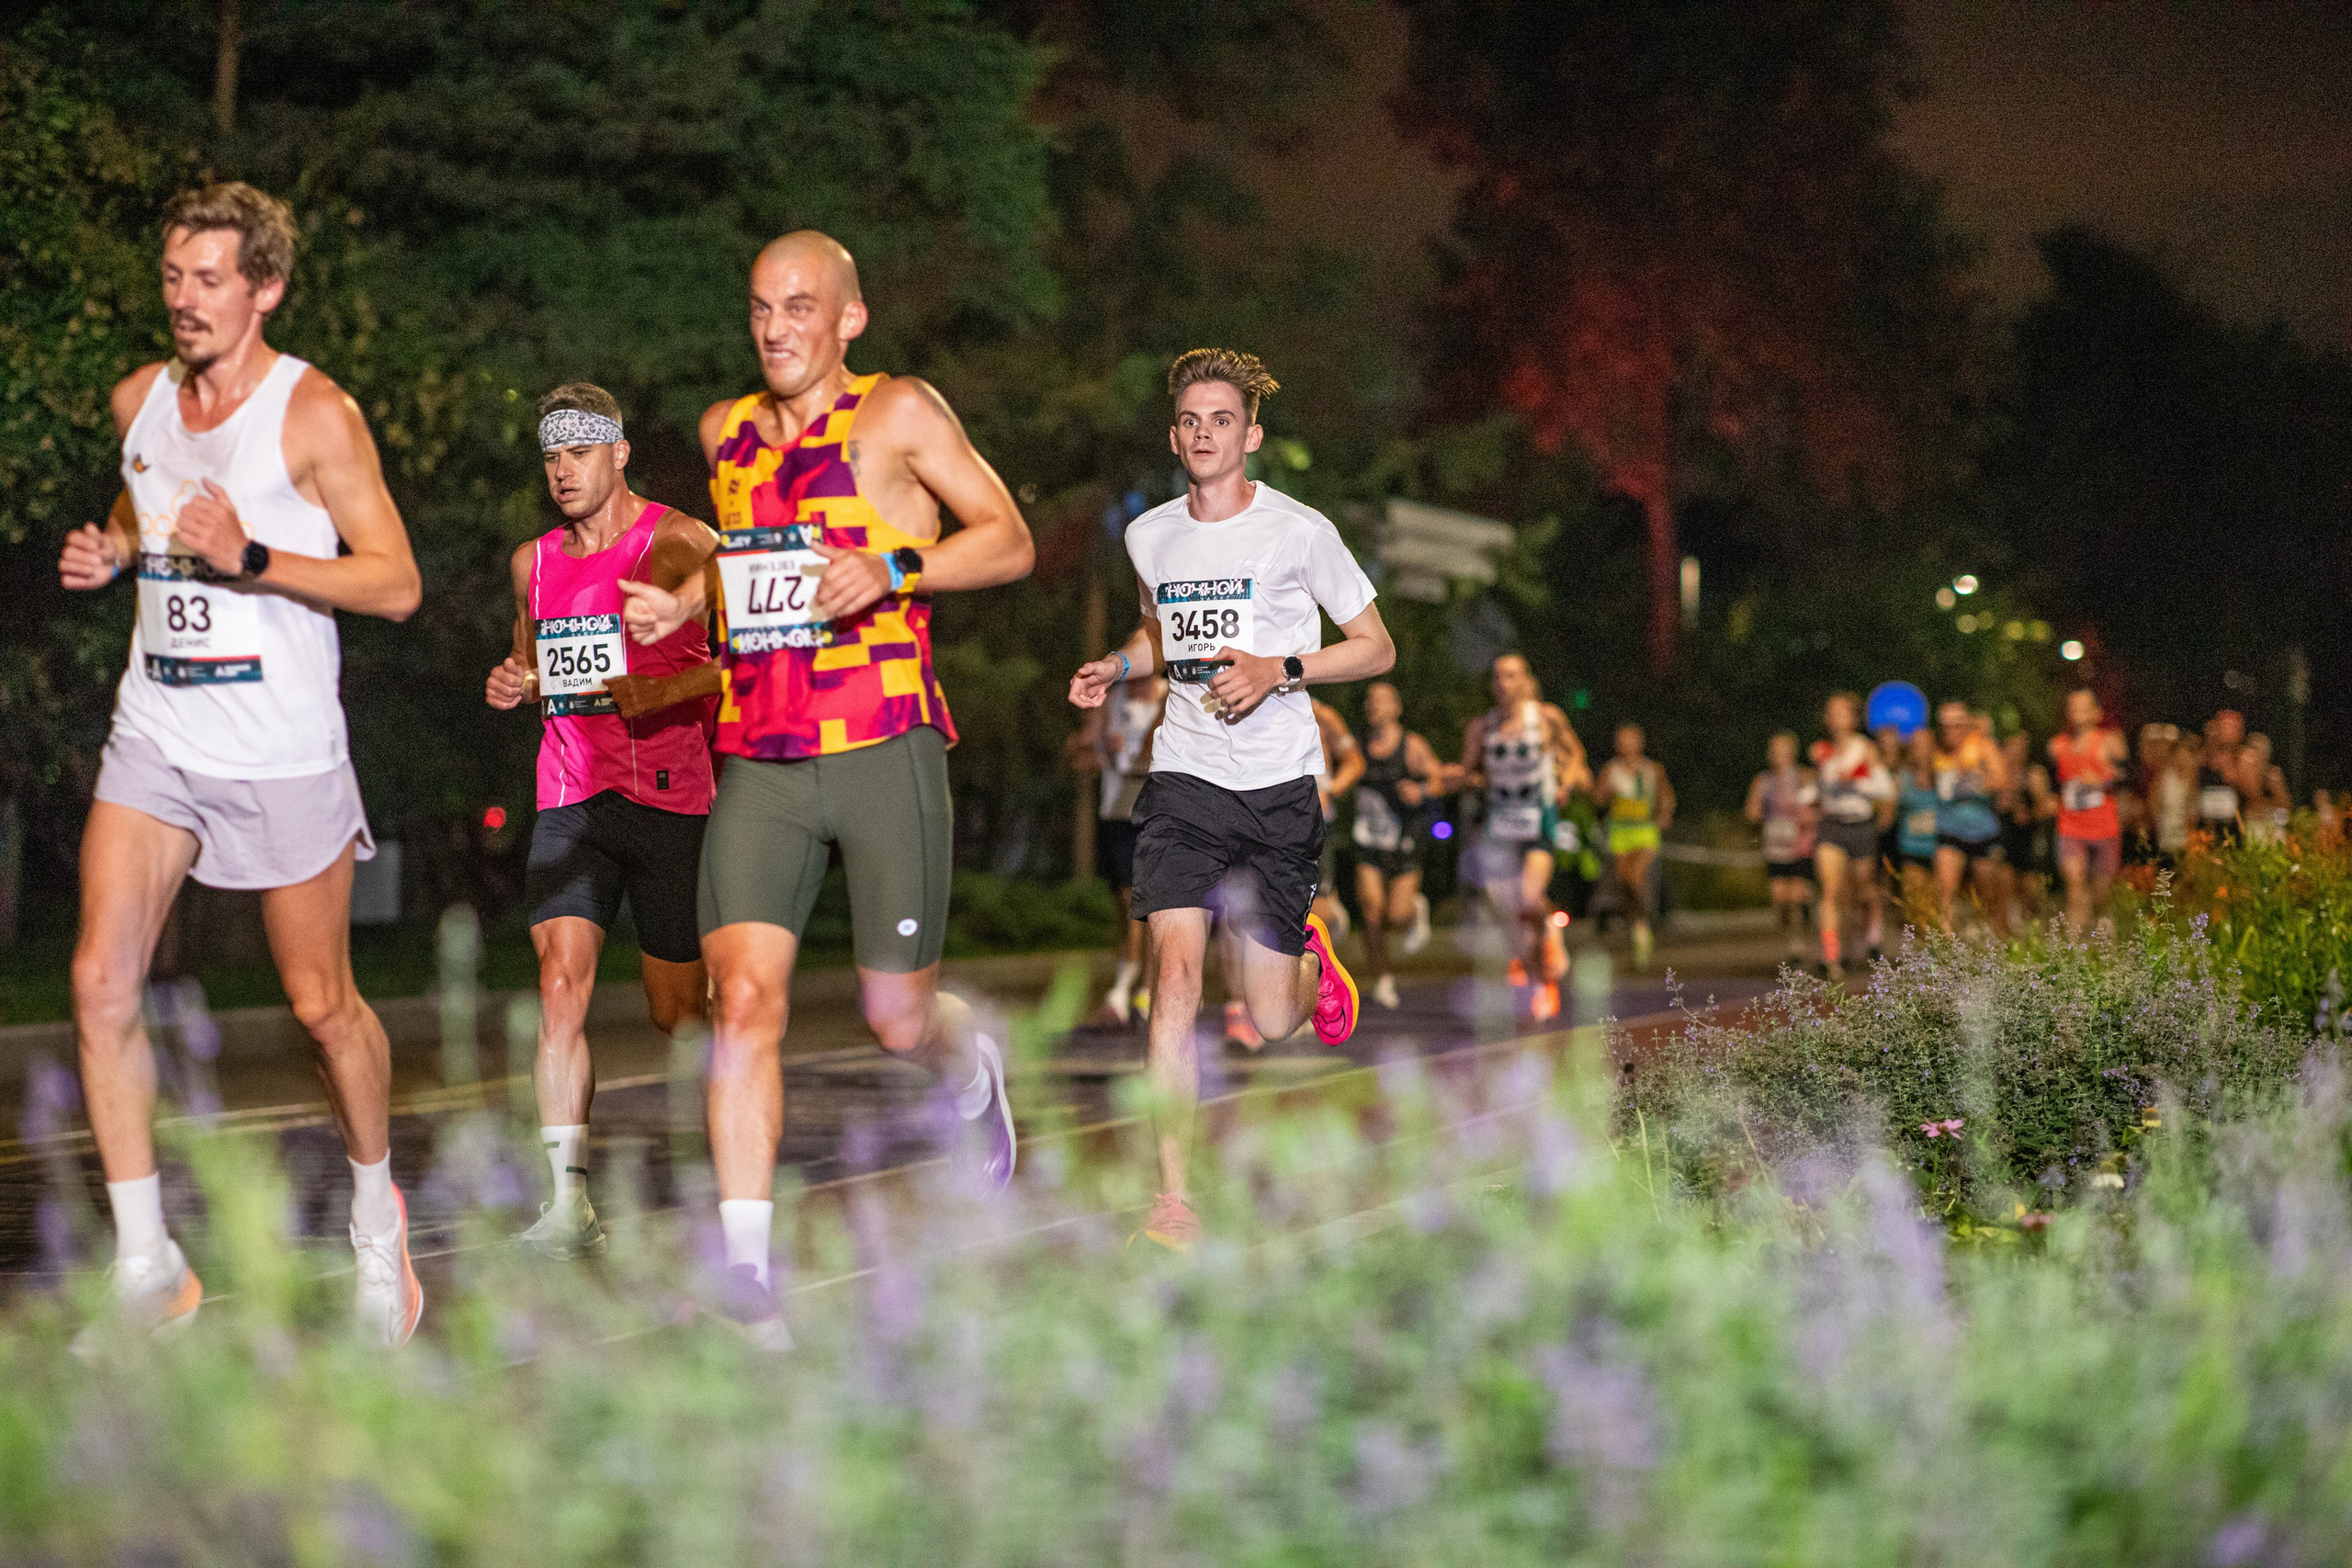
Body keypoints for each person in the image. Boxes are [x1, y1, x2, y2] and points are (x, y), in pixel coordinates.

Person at [619, 231, 1034, 1343]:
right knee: (739, 1005)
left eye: (800, 307)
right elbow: (747, 568)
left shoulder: (897, 414)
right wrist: (681, 603)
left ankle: (969, 1061)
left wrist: (897, 564)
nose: (776, 328)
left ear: (849, 318)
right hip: (758, 752)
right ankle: (747, 1280)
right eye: (761, 308)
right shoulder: (723, 433)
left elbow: (1007, 539)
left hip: (881, 740)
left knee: (896, 1017)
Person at [58, 183, 425, 1347]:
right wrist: (117, 543)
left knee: (321, 1010)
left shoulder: (314, 414)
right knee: (100, 983)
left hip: (279, 748)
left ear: (265, 288)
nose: (186, 301)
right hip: (157, 729)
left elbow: (396, 583)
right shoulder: (142, 399)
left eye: (211, 279)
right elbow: (144, 483)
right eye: (173, 278)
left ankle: (380, 1223)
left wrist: (254, 555)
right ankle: (148, 1265)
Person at [1065, 347, 1390, 1251]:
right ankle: (1172, 1198)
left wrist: (1281, 668)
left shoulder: (1299, 531)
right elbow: (1159, 630)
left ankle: (1311, 961)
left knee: (1274, 1017)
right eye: (1190, 422)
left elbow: (1374, 645)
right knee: (1173, 978)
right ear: (1174, 437)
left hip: (1278, 790)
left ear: (1250, 434)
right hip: (1184, 783)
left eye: (1222, 420)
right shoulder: (1151, 536)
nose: (1205, 434)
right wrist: (1118, 665)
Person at [483, 383, 721, 1259]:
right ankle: (567, 1200)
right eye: (550, 456)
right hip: (571, 796)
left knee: (677, 1013)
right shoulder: (533, 562)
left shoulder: (682, 541)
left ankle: (724, 1153)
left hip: (671, 796)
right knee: (558, 987)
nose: (561, 471)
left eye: (578, 453)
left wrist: (662, 689)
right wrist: (512, 679)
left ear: (618, 452)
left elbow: (753, 666)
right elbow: (529, 655)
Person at [1225, 699, 1363, 1049]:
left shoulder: (1324, 714)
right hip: (1246, 812)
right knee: (1234, 918)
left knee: (1317, 912)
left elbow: (1355, 762)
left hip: (1304, 819)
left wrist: (1330, 789)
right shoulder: (1234, 696)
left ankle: (1308, 966)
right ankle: (1242, 1009)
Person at [1458, 655, 1589, 1021]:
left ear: (1525, 680)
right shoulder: (1483, 726)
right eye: (1498, 676)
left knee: (1528, 897)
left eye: (1511, 675)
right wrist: (1443, 780)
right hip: (1499, 823)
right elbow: (1468, 770)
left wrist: (1568, 780)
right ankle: (1537, 967)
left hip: (1538, 820)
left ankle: (1541, 984)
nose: (1503, 682)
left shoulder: (1546, 718)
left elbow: (1577, 755)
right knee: (1506, 908)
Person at [1068, 670, 1167, 1026]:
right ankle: (1129, 989)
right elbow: (1078, 754)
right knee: (1126, 908)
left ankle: (1140, 991)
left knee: (1149, 905)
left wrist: (1145, 753)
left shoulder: (1174, 696)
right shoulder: (1111, 700)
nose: (1135, 682)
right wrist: (1099, 747)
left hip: (1159, 813)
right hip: (1117, 811)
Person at [1351, 682, 1445, 1010]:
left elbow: (1438, 779)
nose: (1373, 706)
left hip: (1405, 839)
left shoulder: (1412, 746)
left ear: (1396, 708)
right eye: (1369, 701)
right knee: (1371, 910)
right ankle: (1382, 979)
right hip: (1369, 840)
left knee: (1396, 914)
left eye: (1381, 701)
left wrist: (1421, 792)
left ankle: (1415, 912)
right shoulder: (1357, 746)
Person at [1809, 694, 1893, 981]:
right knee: (1830, 891)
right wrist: (1808, 797)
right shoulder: (1822, 751)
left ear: (1853, 717)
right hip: (1831, 826)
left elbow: (1885, 789)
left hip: (1860, 826)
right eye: (1830, 712)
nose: (1835, 717)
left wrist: (1855, 780)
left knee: (1863, 892)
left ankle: (1872, 936)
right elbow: (1818, 790)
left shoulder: (1865, 749)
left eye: (1841, 712)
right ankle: (1830, 957)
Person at [2048, 687, 2128, 932]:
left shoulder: (2110, 742)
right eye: (2073, 707)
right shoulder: (2058, 746)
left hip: (2104, 826)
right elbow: (2052, 783)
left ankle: (2101, 937)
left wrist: (2102, 781)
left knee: (2101, 893)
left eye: (2083, 707)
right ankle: (2075, 950)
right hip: (2071, 826)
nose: (2077, 713)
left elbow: (2126, 776)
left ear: (2097, 712)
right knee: (2075, 885)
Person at [1596, 724, 1674, 970]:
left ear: (1639, 743)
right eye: (1622, 741)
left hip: (1644, 832)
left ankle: (1643, 926)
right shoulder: (1611, 770)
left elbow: (1666, 797)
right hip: (1620, 832)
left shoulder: (1652, 770)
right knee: (1623, 883)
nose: (1627, 745)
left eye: (1631, 740)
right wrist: (1604, 791)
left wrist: (1663, 815)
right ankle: (1637, 925)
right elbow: (1598, 800)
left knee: (1635, 879)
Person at [1931, 701, 2009, 934]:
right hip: (1948, 828)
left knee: (1988, 892)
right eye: (1946, 725)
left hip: (1982, 830)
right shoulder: (1936, 750)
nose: (1950, 730)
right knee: (1945, 890)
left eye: (1956, 725)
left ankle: (1996, 941)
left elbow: (2002, 779)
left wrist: (1977, 783)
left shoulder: (1981, 747)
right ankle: (1947, 950)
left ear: (1965, 725)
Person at [1744, 731, 1816, 963]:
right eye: (1775, 751)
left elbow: (1819, 804)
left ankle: (1798, 946)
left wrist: (1807, 816)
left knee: (1795, 896)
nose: (1780, 756)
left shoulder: (1804, 776)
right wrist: (1757, 814)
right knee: (1779, 900)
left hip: (1800, 846)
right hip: (1775, 847)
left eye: (1785, 750)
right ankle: (1792, 935)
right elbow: (1751, 812)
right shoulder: (1763, 781)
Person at [1996, 730, 2056, 928]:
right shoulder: (1998, 773)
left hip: (2030, 839)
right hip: (2006, 838)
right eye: (2012, 746)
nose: (2016, 752)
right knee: (2005, 883)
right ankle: (2007, 934)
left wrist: (2030, 813)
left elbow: (2048, 806)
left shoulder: (2034, 774)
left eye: (2021, 748)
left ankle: (2030, 932)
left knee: (2029, 892)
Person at [1893, 728, 1945, 918]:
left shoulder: (1944, 776)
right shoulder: (1903, 777)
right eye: (1916, 746)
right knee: (1915, 909)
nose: (1920, 750)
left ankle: (1940, 946)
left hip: (1940, 851)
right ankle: (1920, 946)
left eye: (1925, 745)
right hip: (1911, 848)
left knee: (1938, 909)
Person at [2195, 710, 2249, 848]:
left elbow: (2251, 794)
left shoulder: (2244, 759)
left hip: (2233, 827)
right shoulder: (2200, 759)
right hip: (2205, 828)